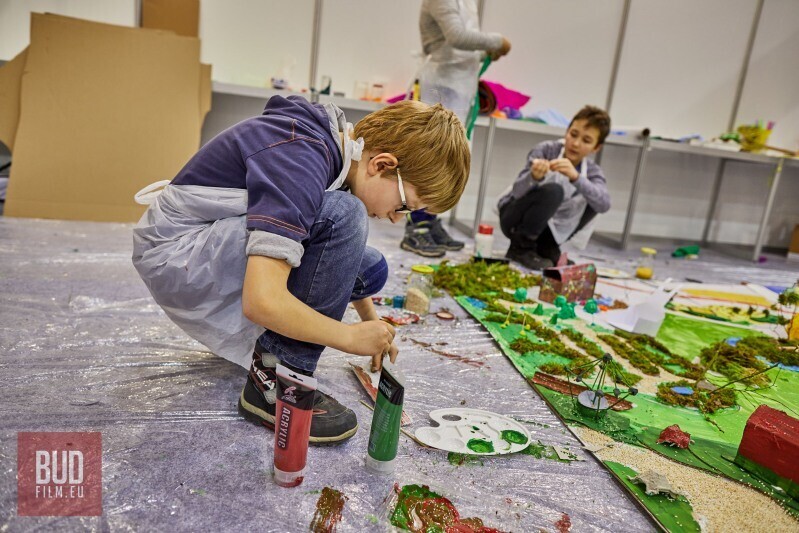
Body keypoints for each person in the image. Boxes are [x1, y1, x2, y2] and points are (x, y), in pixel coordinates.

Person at [132, 95, 469, 444]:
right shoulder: (301, 158)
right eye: (405, 206)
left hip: (204, 245)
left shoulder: (339, 149)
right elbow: (261, 301)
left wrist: (372, 325)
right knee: (343, 215)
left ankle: (282, 352)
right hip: (177, 255)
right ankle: (277, 379)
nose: (397, 219)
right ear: (381, 165)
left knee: (370, 269)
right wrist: (349, 337)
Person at [401, 0, 511, 258]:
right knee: (430, 156)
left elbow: (460, 50)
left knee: (447, 159)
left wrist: (483, 54)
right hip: (440, 83)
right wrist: (497, 41)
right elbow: (456, 36)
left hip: (459, 86)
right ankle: (417, 225)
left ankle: (431, 219)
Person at [497, 105, 611, 270]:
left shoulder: (592, 171)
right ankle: (520, 248)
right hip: (514, 219)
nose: (576, 143)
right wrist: (534, 177)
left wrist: (576, 178)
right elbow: (517, 191)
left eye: (586, 141)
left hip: (547, 229)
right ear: (566, 131)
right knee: (554, 191)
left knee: (593, 198)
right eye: (573, 134)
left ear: (596, 147)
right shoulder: (546, 150)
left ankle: (547, 246)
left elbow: (604, 205)